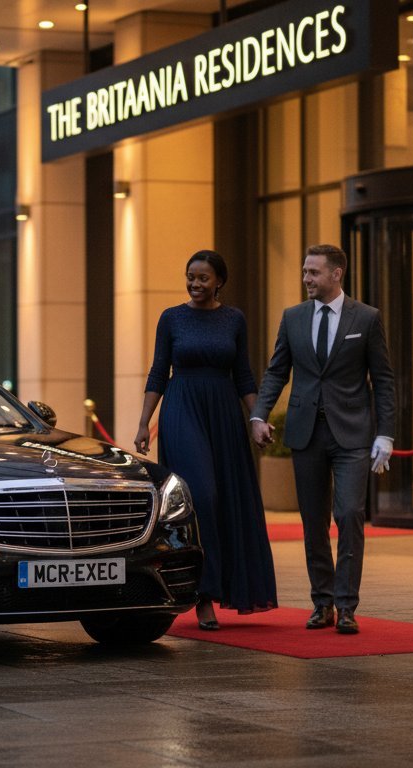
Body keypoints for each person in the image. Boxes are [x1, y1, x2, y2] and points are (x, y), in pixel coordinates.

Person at [250, 243, 396, 635]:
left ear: (337, 274)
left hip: (353, 434)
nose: (306, 280)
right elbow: (276, 370)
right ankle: (323, 602)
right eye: (304, 272)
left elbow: (383, 380)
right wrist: (259, 414)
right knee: (313, 521)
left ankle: (348, 606)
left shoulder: (366, 318)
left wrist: (385, 433)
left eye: (313, 273)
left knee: (348, 514)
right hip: (305, 433)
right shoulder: (293, 317)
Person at [135, 250, 278, 630]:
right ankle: (203, 594)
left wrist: (257, 418)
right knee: (203, 494)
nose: (195, 284)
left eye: (203, 278)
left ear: (219, 282)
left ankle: (218, 588)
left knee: (228, 498)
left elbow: (244, 375)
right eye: (190, 277)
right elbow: (157, 374)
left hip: (224, 414)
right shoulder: (171, 318)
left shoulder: (234, 319)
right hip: (182, 408)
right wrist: (142, 423)